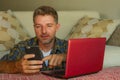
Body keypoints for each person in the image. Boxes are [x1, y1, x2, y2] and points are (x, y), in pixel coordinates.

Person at [0, 6, 68, 74]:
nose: (44, 31)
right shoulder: (22, 46)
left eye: (49, 26)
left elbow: (78, 61)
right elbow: (1, 65)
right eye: (38, 26)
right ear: (34, 28)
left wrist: (66, 57)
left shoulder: (67, 46)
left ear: (57, 27)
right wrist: (16, 66)